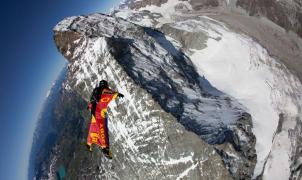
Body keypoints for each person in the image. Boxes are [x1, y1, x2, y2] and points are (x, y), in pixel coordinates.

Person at [86, 80, 124, 159]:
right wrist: (117, 94)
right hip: (99, 112)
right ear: (105, 85)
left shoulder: (96, 91)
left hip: (93, 112)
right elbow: (109, 93)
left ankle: (89, 143)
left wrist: (89, 106)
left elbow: (91, 101)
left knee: (94, 127)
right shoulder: (103, 89)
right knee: (102, 128)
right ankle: (105, 148)